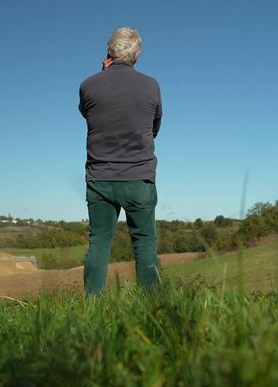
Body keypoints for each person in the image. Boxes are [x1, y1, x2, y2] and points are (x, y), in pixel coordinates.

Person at [78, 27, 163, 295]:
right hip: (139, 177)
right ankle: (152, 306)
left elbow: (87, 113)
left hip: (99, 177)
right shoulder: (151, 85)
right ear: (137, 55)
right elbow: (154, 127)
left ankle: (92, 308)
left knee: (99, 243)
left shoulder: (88, 85)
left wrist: (104, 77)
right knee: (145, 242)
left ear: (109, 52)